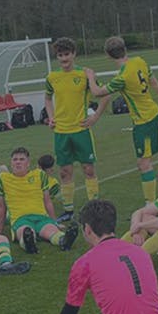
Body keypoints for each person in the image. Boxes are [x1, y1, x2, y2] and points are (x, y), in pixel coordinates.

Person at [36, 200, 158, 314]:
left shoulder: (85, 262)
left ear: (87, 229)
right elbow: (136, 301)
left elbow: (69, 313)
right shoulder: (141, 253)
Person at [90, 36, 158, 203]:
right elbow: (155, 83)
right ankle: (155, 200)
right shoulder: (140, 62)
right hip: (152, 114)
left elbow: (97, 92)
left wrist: (90, 76)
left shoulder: (122, 77)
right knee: (145, 161)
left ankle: (151, 203)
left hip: (144, 121)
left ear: (108, 55)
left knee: (144, 164)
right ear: (125, 49)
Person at [44, 37, 101, 221]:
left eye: (66, 54)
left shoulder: (84, 75)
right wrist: (51, 117)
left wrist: (95, 116)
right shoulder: (52, 77)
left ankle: (94, 209)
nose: (63, 59)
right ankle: (68, 211)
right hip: (61, 133)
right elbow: (47, 98)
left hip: (81, 131)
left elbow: (104, 95)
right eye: (60, 55)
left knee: (88, 170)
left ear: (74, 54)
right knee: (64, 172)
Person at [0, 147, 79, 254]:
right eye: (15, 159)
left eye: (21, 159)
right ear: (11, 163)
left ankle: (63, 240)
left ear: (28, 163)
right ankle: (29, 244)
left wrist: (54, 221)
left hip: (41, 216)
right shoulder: (2, 179)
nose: (18, 162)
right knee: (25, 231)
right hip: (20, 219)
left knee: (51, 230)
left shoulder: (39, 175)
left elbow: (47, 201)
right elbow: (0, 207)